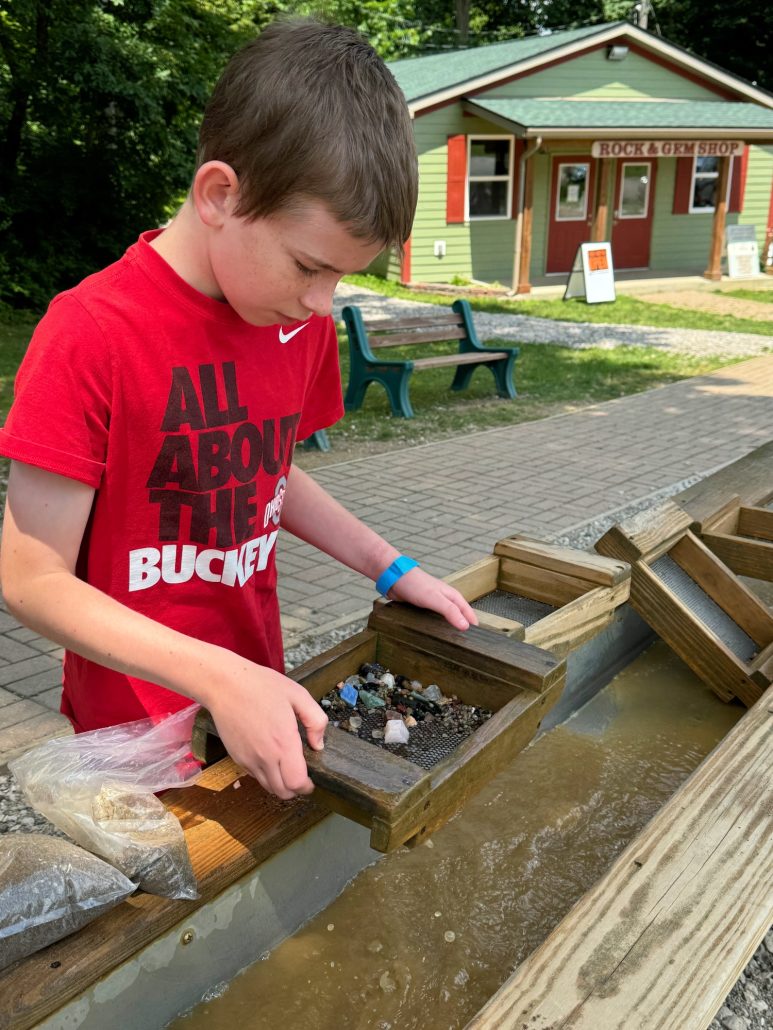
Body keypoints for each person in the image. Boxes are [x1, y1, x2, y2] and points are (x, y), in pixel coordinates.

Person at [0, 18, 477, 803]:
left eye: (343, 279)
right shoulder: (91, 333)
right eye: (310, 266)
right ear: (221, 194)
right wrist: (216, 676)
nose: (323, 305)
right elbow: (32, 580)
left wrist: (390, 566)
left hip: (253, 682)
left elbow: (267, 469)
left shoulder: (295, 321)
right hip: (136, 713)